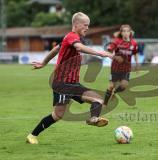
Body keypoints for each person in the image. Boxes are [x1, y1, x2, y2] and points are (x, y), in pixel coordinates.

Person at [26, 12, 113, 144]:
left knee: (97, 100)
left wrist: (44, 62)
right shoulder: (72, 37)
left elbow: (56, 49)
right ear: (76, 24)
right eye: (85, 25)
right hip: (62, 83)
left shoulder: (71, 38)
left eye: (88, 25)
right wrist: (100, 53)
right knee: (58, 115)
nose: (88, 28)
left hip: (73, 83)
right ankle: (32, 135)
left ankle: (93, 119)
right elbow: (78, 47)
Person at [103, 24, 139, 105]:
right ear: (121, 33)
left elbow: (135, 54)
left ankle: (114, 92)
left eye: (127, 31)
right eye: (124, 31)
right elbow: (109, 52)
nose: (126, 33)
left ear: (130, 32)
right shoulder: (116, 41)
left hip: (126, 68)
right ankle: (104, 104)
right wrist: (115, 57)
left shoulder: (133, 43)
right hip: (115, 68)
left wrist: (137, 65)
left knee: (124, 86)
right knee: (111, 86)